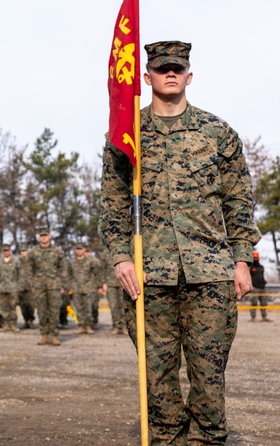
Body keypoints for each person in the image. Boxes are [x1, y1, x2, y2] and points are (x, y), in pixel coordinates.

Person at [101, 41, 259, 445]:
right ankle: (168, 438)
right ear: (146, 77)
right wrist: (120, 258)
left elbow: (238, 199)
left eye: (178, 68)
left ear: (189, 76)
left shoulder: (218, 132)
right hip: (148, 275)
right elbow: (114, 201)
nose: (170, 73)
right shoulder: (126, 135)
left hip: (210, 275)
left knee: (208, 377)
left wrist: (242, 260)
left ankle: (207, 439)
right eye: (161, 68)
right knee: (158, 379)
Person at [27, 228, 66, 346]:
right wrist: (32, 284)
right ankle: (44, 334)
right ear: (39, 238)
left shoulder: (57, 251)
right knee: (42, 310)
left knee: (54, 310)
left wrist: (62, 283)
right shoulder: (33, 252)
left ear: (50, 237)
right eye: (41, 236)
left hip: (54, 284)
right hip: (39, 285)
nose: (44, 238)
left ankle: (54, 335)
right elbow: (29, 269)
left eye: (46, 235)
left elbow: (63, 268)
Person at [67, 242, 103, 335]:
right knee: (79, 308)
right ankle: (81, 326)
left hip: (88, 288)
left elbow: (97, 274)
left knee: (88, 308)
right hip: (76, 288)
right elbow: (69, 275)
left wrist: (98, 286)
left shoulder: (91, 261)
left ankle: (88, 326)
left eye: (81, 249)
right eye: (77, 249)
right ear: (75, 251)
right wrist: (69, 286)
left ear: (84, 250)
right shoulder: (71, 262)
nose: (79, 251)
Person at [0, 244, 20, 333]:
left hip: (12, 288)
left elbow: (20, 275)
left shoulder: (16, 262)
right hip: (1, 288)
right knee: (3, 308)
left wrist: (18, 286)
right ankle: (5, 324)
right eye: (4, 251)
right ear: (3, 252)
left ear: (10, 251)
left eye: (7, 251)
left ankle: (13, 325)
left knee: (12, 307)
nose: (6, 252)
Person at [16, 246, 36, 329]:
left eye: (25, 251)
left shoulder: (32, 262)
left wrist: (34, 285)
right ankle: (25, 320)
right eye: (22, 251)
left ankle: (31, 320)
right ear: (20, 253)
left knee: (31, 304)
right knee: (22, 305)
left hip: (30, 286)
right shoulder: (17, 263)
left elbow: (36, 273)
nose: (23, 253)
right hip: (20, 286)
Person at [248, 251, 270, 322]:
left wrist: (264, 282)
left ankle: (264, 317)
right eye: (254, 258)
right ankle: (253, 317)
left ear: (259, 258)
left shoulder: (261, 267)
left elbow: (262, 276)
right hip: (255, 288)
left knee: (264, 303)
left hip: (262, 288)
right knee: (254, 302)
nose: (255, 259)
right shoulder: (250, 267)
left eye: (256, 258)